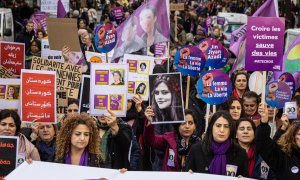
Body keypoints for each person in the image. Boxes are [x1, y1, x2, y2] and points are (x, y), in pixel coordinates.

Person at [185, 111, 249, 177]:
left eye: (226, 126)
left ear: (231, 129)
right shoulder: (196, 149)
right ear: (211, 127)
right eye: (218, 126)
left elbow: (245, 176)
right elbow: (185, 174)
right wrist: (188, 175)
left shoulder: (240, 153)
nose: (222, 130)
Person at [256, 102, 300, 179]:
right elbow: (263, 143)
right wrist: (264, 122)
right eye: (299, 134)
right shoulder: (283, 158)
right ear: (293, 137)